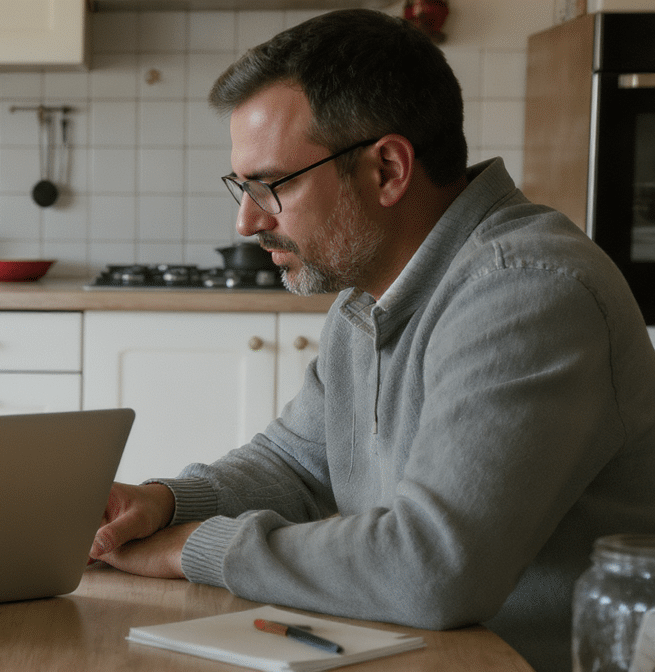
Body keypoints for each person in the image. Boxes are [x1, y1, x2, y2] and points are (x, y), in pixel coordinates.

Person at [87, 9, 655, 672]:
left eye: (271, 185)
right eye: (242, 187)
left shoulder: (529, 293)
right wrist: (163, 503)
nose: (246, 221)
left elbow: (433, 569)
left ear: (387, 168)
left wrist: (195, 548)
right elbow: (297, 466)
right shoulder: (369, 296)